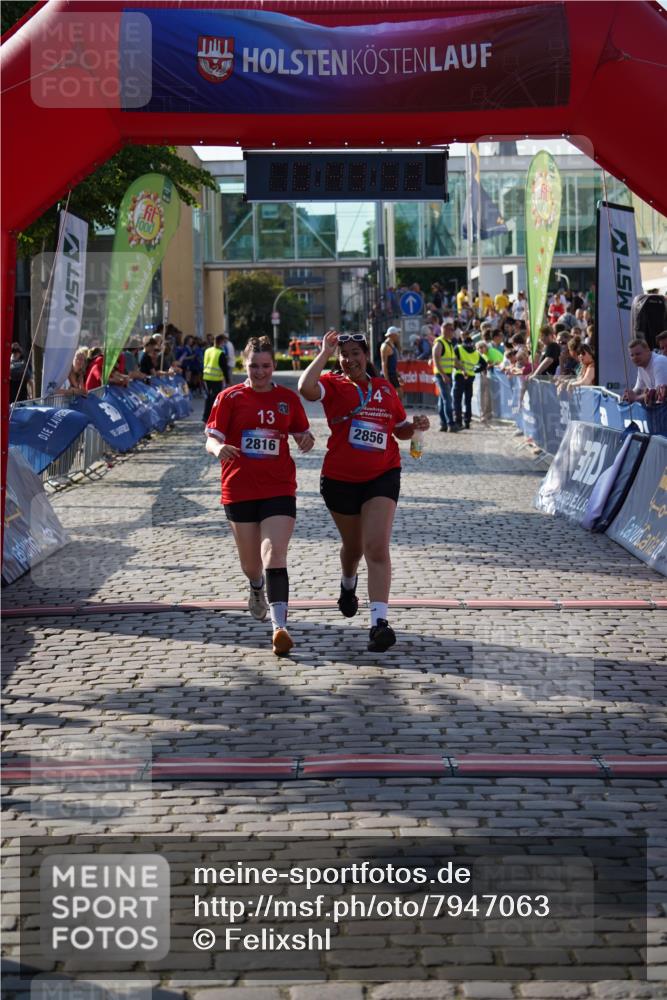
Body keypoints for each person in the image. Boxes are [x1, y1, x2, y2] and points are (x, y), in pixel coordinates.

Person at [298, 330, 429, 652]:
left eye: (355, 353)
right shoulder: (331, 383)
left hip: (382, 476)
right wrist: (324, 352)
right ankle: (347, 585)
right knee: (353, 548)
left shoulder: (384, 388)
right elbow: (304, 388)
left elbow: (399, 431)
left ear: (366, 356)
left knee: (376, 547)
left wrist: (415, 427)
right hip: (340, 479)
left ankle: (379, 623)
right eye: (344, 354)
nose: (350, 359)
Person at [205, 335, 314, 656]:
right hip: (238, 488)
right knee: (251, 564)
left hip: (279, 487)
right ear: (244, 365)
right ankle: (256, 588)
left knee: (274, 553)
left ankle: (280, 627)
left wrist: (305, 439)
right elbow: (211, 438)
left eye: (266, 366)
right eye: (254, 366)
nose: (260, 372)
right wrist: (218, 449)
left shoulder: (288, 399)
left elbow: (300, 432)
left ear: (273, 365)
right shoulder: (229, 397)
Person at [432, 319, 459, 432]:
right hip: (441, 375)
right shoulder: (439, 343)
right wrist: (443, 375)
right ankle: (450, 424)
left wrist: (462, 369)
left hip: (446, 374)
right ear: (445, 330)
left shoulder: (448, 343)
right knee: (447, 399)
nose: (453, 332)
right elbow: (436, 359)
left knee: (442, 400)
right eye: (451, 329)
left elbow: (453, 360)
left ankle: (443, 423)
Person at [623, 338, 667, 403]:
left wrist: (635, 398)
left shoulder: (659, 362)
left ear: (648, 351)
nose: (635, 358)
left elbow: (660, 394)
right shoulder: (641, 366)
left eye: (638, 354)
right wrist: (628, 395)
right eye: (632, 355)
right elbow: (638, 389)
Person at [453, 331, 480, 429]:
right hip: (471, 376)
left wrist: (460, 369)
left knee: (457, 400)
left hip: (460, 375)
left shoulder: (458, 348)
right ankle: (467, 421)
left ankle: (458, 421)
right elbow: (483, 363)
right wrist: (476, 370)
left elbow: (454, 361)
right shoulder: (475, 351)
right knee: (468, 400)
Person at [202, 333, 230, 424]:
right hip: (216, 379)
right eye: (224, 342)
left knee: (208, 398)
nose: (224, 344)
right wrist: (228, 380)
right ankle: (212, 417)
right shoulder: (220, 353)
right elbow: (224, 368)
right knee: (214, 399)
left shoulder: (208, 350)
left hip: (206, 377)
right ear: (221, 342)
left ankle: (205, 417)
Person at [380, 326, 403, 399]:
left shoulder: (393, 345)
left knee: (399, 394)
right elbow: (384, 363)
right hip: (389, 374)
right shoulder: (385, 346)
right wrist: (387, 380)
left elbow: (393, 363)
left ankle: (394, 409)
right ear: (392, 335)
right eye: (397, 334)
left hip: (393, 374)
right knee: (396, 394)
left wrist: (398, 375)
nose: (398, 336)